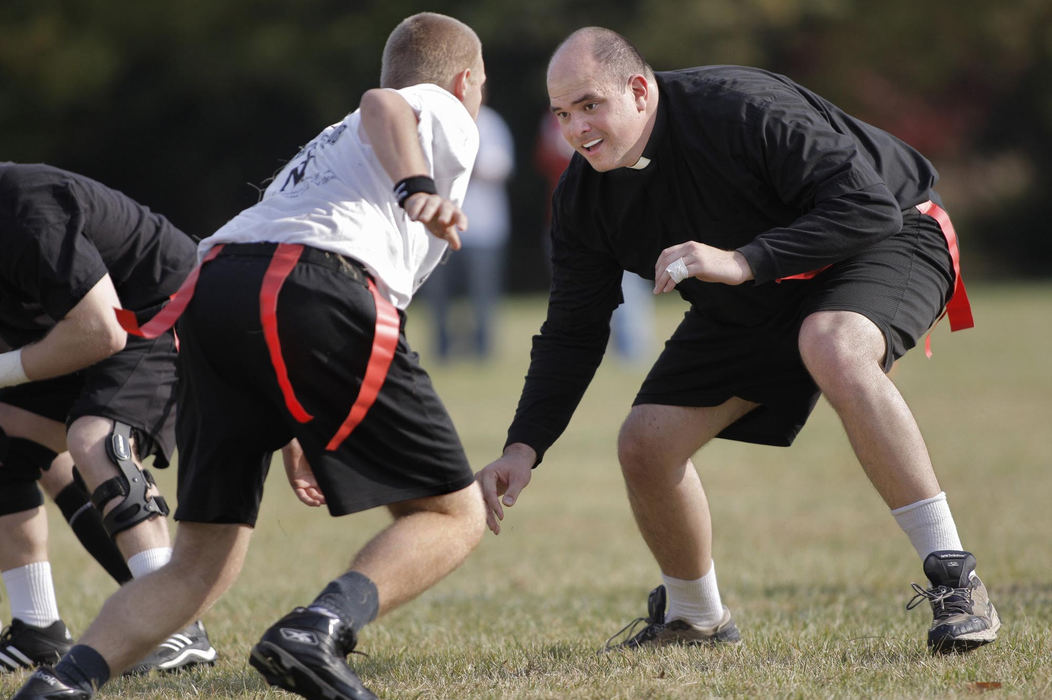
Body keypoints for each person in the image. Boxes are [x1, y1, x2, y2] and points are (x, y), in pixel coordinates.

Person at [476, 27, 999, 656]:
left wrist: (745, 260)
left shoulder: (740, 106)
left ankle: (956, 579)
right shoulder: (584, 197)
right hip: (757, 284)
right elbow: (572, 331)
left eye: (591, 105)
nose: (577, 128)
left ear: (639, 91)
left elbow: (866, 206)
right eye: (563, 114)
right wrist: (524, 445)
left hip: (888, 235)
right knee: (645, 443)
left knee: (832, 342)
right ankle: (696, 618)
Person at [13, 12, 487, 700]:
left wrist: (293, 415)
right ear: (466, 80)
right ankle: (317, 630)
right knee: (451, 513)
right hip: (307, 279)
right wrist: (418, 187)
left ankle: (60, 685)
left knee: (198, 562)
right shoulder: (433, 107)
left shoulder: (326, 152)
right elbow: (384, 102)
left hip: (215, 286)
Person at [0, 162, 217, 675]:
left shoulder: (23, 209)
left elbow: (102, 330)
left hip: (165, 310)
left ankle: (176, 626)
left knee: (96, 439)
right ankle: (38, 630)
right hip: (97, 321)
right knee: (7, 430)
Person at [535, 111, 655, 364]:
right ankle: (584, 355)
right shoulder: (552, 121)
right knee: (576, 291)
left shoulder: (604, 113)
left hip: (611, 213)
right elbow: (544, 160)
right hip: (567, 216)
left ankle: (632, 351)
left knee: (627, 285)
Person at [424, 101, 514, 360]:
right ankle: (442, 352)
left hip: (484, 227)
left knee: (483, 296)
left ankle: (482, 352)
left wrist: (455, 163)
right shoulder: (435, 120)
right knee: (439, 296)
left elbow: (498, 167)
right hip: (440, 227)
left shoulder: (489, 122)